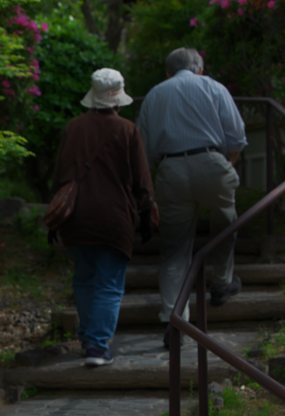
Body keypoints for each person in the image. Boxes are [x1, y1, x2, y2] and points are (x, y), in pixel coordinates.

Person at [136, 47, 248, 349]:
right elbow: (236, 136)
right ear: (200, 68)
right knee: (226, 222)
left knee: (175, 248)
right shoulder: (214, 87)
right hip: (212, 161)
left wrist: (148, 195)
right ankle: (223, 282)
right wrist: (224, 168)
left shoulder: (154, 95)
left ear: (168, 72)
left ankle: (174, 320)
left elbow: (143, 152)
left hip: (170, 169)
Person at [50, 68, 156, 367]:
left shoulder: (72, 128)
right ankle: (97, 346)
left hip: (76, 218)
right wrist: (147, 209)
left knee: (84, 279)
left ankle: (88, 337)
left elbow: (60, 175)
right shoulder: (127, 130)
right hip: (114, 218)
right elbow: (141, 177)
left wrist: (54, 216)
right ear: (118, 97)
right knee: (109, 283)